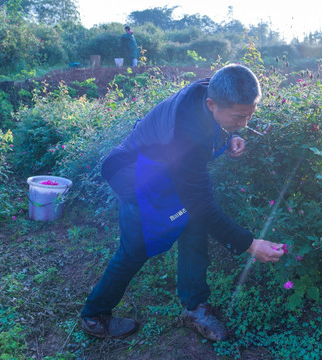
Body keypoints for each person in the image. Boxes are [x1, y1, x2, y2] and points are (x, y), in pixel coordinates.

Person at [80, 64, 285, 341]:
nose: (245, 123)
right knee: (136, 248)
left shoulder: (212, 92)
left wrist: (232, 135)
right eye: (239, 117)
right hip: (133, 173)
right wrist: (250, 244)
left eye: (249, 115)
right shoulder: (186, 133)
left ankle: (194, 307)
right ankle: (94, 316)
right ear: (212, 104)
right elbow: (202, 203)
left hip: (164, 172)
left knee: (191, 224)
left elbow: (214, 127)